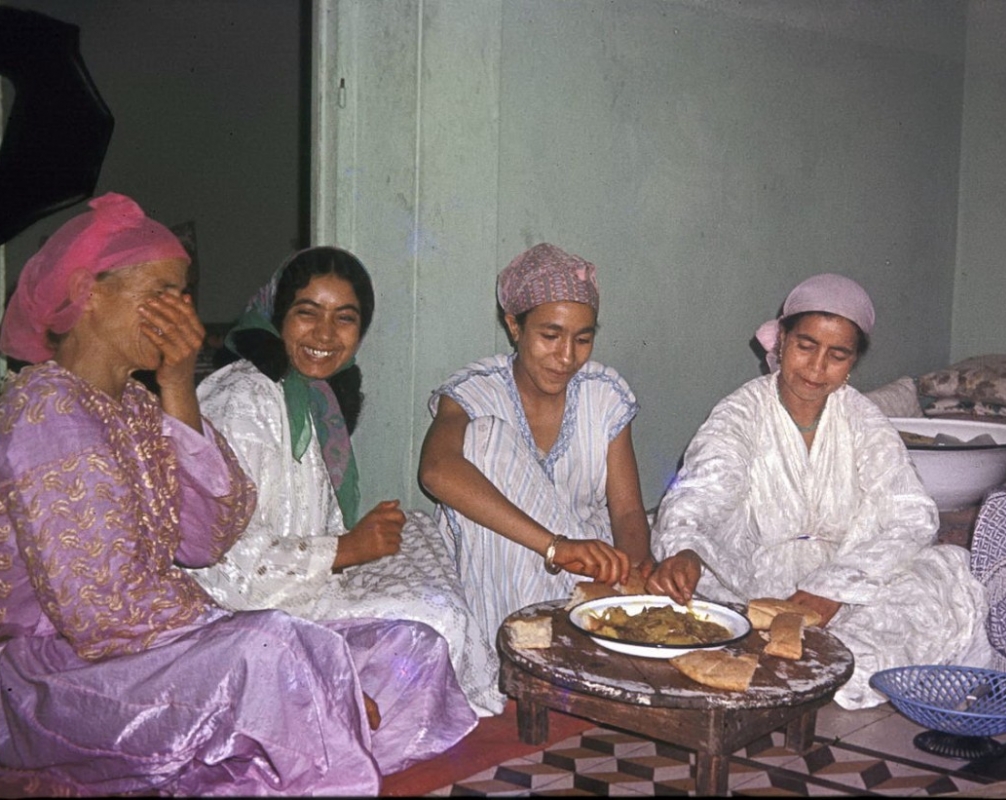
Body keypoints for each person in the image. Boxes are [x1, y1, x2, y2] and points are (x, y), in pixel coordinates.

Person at [0, 194, 476, 796]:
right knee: (274, 650)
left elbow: (206, 537)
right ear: (87, 293)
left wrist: (176, 387)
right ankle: (295, 748)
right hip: (77, 674)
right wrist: (300, 663)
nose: (182, 311)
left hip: (176, 648)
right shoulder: (46, 409)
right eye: (163, 292)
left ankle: (277, 757)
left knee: (412, 648)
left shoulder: (137, 406)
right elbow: (103, 615)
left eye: (184, 293)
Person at [647, 273, 993, 709]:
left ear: (851, 364)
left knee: (946, 576)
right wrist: (685, 550)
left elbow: (912, 514)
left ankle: (810, 669)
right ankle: (797, 667)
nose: (815, 368)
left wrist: (835, 586)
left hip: (849, 580)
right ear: (782, 342)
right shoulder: (741, 414)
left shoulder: (862, 419)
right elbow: (702, 490)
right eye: (805, 346)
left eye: (836, 355)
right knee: (712, 614)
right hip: (754, 583)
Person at [189, 247, 505, 715]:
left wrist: (351, 544)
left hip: (297, 578)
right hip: (243, 611)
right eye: (307, 313)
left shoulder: (311, 395)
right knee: (437, 615)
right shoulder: (241, 400)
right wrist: (347, 550)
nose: (324, 334)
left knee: (422, 532)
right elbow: (221, 562)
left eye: (344, 318)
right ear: (277, 317)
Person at [419, 243, 654, 643]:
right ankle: (514, 649)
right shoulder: (474, 392)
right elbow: (437, 471)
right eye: (550, 335)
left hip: (585, 569)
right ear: (514, 326)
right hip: (500, 561)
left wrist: (628, 569)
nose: (566, 357)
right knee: (482, 439)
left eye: (582, 339)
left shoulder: (603, 394)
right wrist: (554, 548)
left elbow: (629, 512)